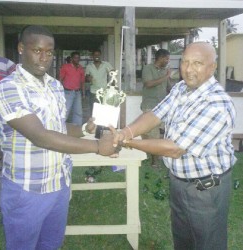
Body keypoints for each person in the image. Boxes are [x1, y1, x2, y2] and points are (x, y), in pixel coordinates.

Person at [0, 25, 117, 250]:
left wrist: (84, 128)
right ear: (21, 49)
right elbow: (40, 136)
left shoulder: (54, 86)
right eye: (37, 50)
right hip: (27, 189)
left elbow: (57, 128)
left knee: (50, 245)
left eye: (49, 52)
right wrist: (97, 146)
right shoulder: (8, 88)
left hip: (59, 184)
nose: (44, 58)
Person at [113, 42, 236, 250]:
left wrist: (126, 142)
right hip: (179, 183)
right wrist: (126, 132)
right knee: (183, 242)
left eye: (197, 63)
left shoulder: (217, 104)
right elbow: (155, 113)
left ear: (212, 67)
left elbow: (175, 148)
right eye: (185, 62)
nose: (188, 69)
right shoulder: (182, 88)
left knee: (208, 245)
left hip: (206, 190)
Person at [141, 48, 171, 168]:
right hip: (150, 106)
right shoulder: (148, 68)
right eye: (167, 59)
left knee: (162, 132)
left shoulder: (165, 71)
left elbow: (169, 88)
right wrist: (166, 76)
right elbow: (148, 84)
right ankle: (154, 161)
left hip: (163, 107)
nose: (168, 61)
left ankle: (154, 153)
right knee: (152, 134)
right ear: (161, 58)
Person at [0, 49, 16, 167]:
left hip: (1, 100)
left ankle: (6, 153)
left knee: (4, 126)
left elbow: (16, 74)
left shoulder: (4, 62)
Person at [59, 51, 85, 125]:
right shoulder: (65, 67)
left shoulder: (81, 68)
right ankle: (60, 127)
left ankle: (76, 129)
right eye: (75, 58)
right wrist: (59, 92)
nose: (77, 59)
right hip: (68, 92)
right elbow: (60, 79)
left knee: (78, 112)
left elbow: (82, 82)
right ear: (72, 58)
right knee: (65, 111)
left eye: (78, 58)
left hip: (77, 93)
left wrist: (83, 94)